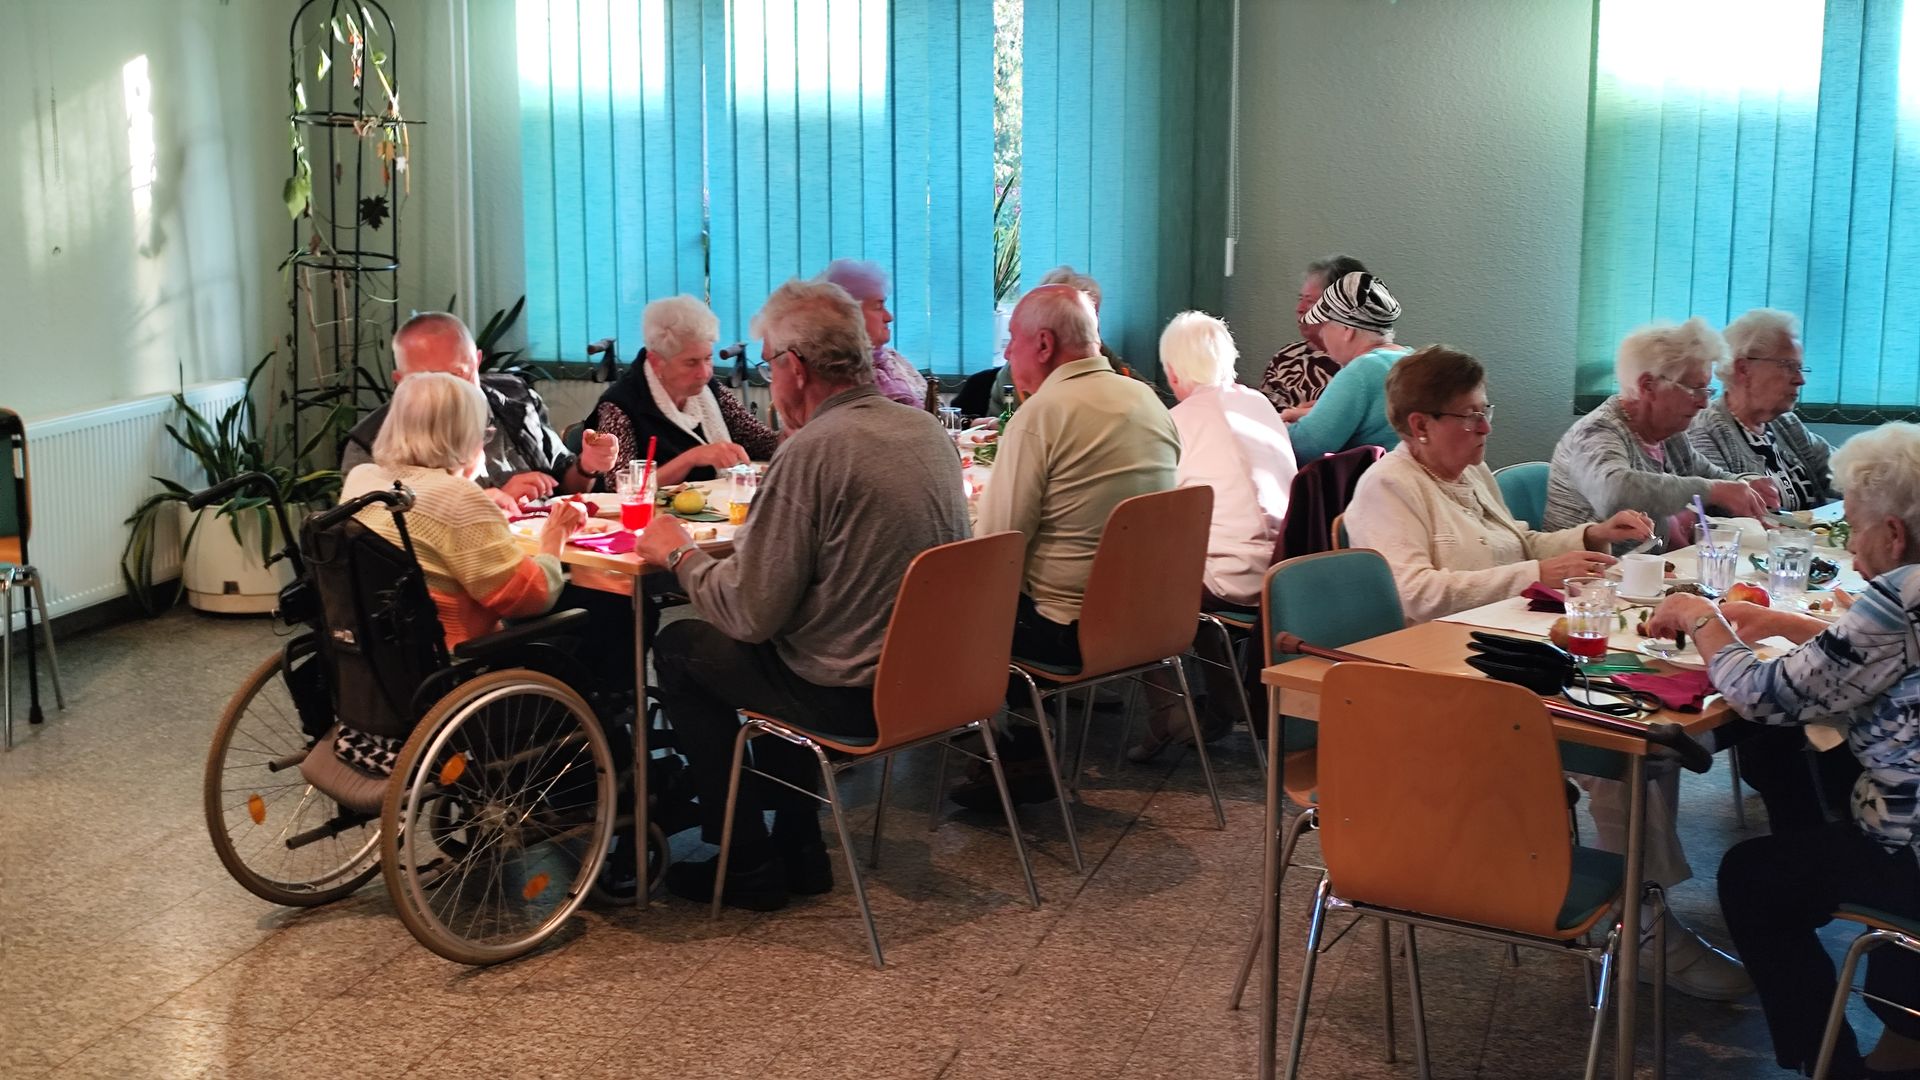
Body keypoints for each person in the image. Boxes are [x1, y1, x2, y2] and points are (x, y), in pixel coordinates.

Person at [636, 278, 968, 911]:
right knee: (801, 636)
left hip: (852, 698)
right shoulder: (927, 432)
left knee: (681, 646)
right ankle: (800, 843)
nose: (769, 382)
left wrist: (678, 554)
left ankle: (744, 858)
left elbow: (749, 613)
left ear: (795, 367)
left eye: (767, 366)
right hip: (934, 685)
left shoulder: (813, 452)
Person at [1647, 423, 1920, 1077]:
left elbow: (1760, 693)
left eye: (1855, 528)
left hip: (1911, 848)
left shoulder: (1901, 593)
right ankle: (1901, 1026)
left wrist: (1699, 616)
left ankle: (1832, 1064)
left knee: (1751, 878)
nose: (1850, 546)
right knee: (1803, 760)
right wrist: (1780, 623)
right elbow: (1875, 654)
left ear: (1893, 535)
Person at [950, 284, 1179, 807]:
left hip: (1070, 632)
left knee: (955, 604)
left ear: (1044, 344)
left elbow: (998, 545)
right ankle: (1025, 742)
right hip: (1150, 620)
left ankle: (1017, 750)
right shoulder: (1147, 400)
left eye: (1012, 340)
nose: (1007, 353)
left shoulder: (1042, 415)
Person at [1343, 346, 1649, 623]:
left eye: (1485, 411)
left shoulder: (1472, 471)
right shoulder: (1388, 485)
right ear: (1421, 425)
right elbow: (1416, 594)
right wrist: (1536, 575)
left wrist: (1594, 535)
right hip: (1431, 646)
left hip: (1496, 626)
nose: (1485, 427)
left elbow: (1516, 545)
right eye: (1470, 416)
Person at [1128, 311, 1297, 762]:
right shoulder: (1260, 405)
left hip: (1231, 581)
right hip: (1286, 571)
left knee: (1131, 583)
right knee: (1193, 565)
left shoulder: (1175, 422)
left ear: (1172, 371)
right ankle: (1224, 702)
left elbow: (1153, 510)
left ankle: (1167, 711)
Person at [340, 372, 579, 649]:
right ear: (467, 436)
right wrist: (555, 536)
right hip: (458, 654)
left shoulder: (362, 477)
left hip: (381, 647)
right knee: (591, 615)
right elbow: (530, 597)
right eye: (484, 433)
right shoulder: (457, 497)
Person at [341, 313, 618, 512]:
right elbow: (391, 534)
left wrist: (587, 465)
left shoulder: (515, 400)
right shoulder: (372, 441)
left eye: (458, 376)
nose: (451, 393)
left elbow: (566, 485)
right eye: (429, 381)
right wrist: (487, 504)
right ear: (400, 381)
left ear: (478, 362)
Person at [1543, 317, 1780, 544]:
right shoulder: (1595, 432)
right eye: (1695, 390)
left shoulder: (1668, 434)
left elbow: (1706, 473)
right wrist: (1713, 491)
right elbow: (1615, 493)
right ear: (1648, 386)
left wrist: (1743, 485)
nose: (1704, 403)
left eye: (1707, 391)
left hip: (1649, 564)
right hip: (1592, 568)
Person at [585, 294, 778, 484]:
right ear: (656, 362)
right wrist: (691, 458)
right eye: (691, 363)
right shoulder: (620, 405)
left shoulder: (708, 390)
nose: (705, 373)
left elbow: (761, 441)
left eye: (708, 358)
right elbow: (620, 484)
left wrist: (792, 434)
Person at [1686, 308, 1836, 512]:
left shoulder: (1787, 424)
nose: (1800, 380)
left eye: (1800, 368)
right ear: (1743, 369)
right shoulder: (1704, 430)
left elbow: (1844, 472)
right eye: (1789, 366)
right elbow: (1721, 512)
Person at [1285, 271, 1408, 459]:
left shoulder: (1361, 372)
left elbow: (1304, 447)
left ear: (1347, 330)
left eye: (1325, 325)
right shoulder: (1409, 359)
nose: (1321, 334)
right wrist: (1313, 414)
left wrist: (1278, 423)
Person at [1259, 253, 1367, 412]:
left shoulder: (1362, 369)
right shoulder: (1285, 357)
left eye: (1310, 302)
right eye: (1300, 299)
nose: (1299, 308)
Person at [819, 258, 928, 408]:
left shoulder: (895, 360)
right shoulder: (829, 373)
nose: (889, 317)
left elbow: (936, 415)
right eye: (878, 307)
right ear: (847, 314)